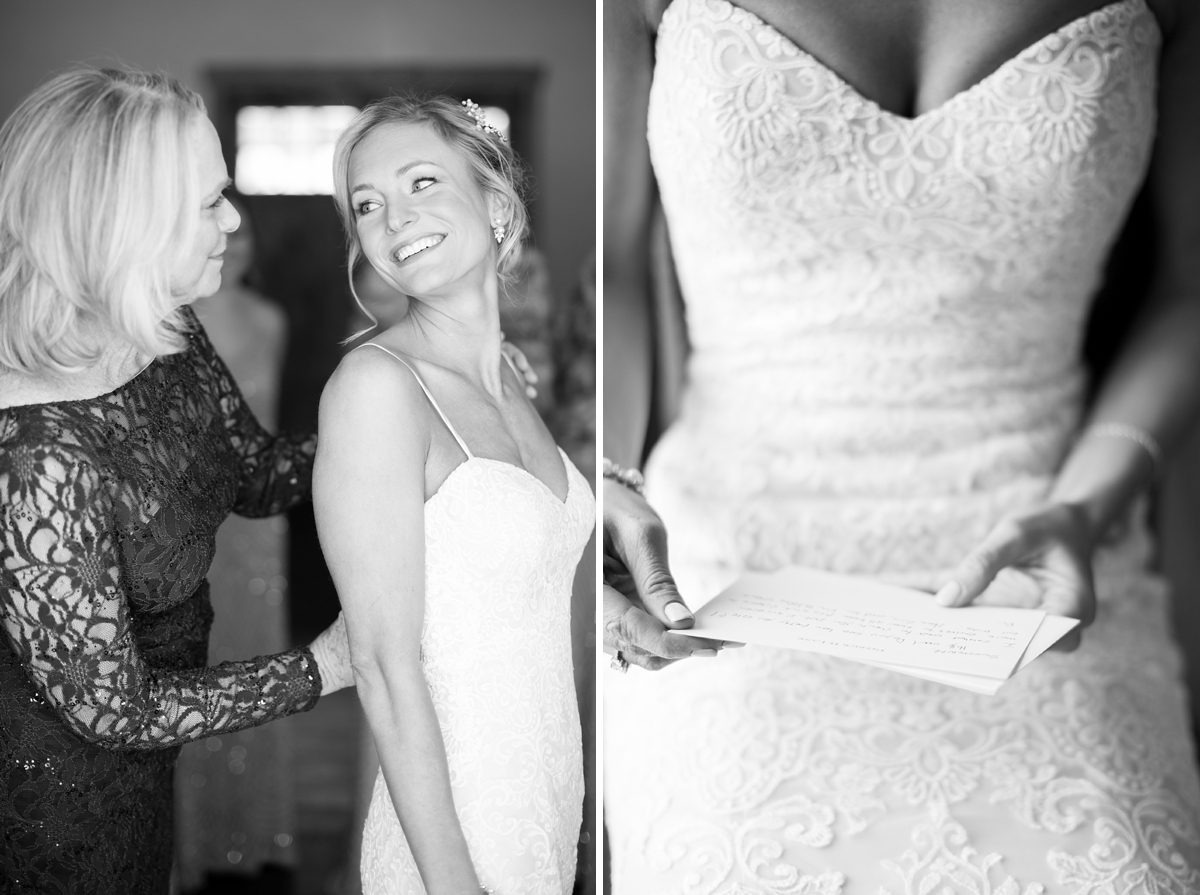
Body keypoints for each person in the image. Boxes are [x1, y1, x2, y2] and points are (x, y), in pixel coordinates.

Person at [603, 0, 1200, 890]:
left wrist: (1087, 503)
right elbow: (615, 266)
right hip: (724, 564)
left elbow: (1190, 284)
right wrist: (603, 481)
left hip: (1047, 555)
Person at [0, 67, 353, 895]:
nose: (233, 220)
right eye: (208, 202)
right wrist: (325, 666)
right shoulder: (37, 454)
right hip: (56, 818)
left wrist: (399, 422)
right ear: (126, 221)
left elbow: (257, 475)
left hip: (145, 788)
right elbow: (113, 708)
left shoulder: (166, 326)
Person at [314, 96, 594, 894]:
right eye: (368, 205)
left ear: (496, 204)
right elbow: (381, 663)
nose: (394, 218)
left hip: (546, 804)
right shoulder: (376, 388)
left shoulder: (510, 377)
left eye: (421, 182)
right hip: (452, 841)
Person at [175, 191, 299, 890]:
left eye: (248, 233)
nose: (236, 241)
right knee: (192, 659)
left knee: (256, 656)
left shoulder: (271, 320)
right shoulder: (172, 320)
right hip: (189, 514)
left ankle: (257, 833)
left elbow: (267, 426)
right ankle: (195, 839)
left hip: (256, 519)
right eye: (230, 230)